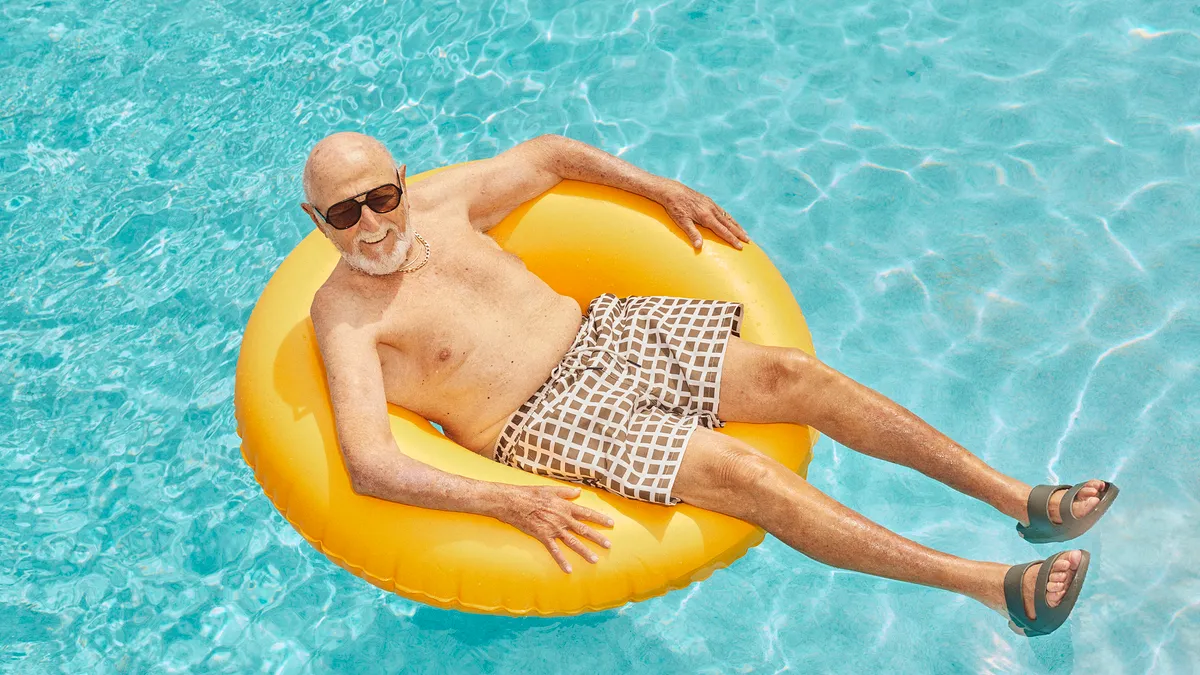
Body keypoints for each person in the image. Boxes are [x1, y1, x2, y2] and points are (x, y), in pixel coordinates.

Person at [300, 131, 1118, 636]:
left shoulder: (442, 203)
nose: (373, 224)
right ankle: (991, 588)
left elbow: (547, 154)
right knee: (745, 474)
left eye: (381, 196)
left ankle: (1021, 502)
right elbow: (371, 462)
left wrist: (661, 189)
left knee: (798, 376)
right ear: (318, 223)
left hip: (609, 330)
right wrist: (504, 499)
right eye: (346, 214)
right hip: (542, 417)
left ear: (402, 180)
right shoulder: (343, 317)